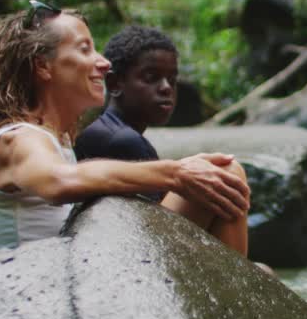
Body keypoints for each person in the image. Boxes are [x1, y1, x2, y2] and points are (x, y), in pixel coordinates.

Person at [0, 1, 249, 269]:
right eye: (85, 50)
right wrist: (175, 174)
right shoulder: (21, 140)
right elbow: (59, 182)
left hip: (74, 282)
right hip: (39, 305)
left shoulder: (53, 139)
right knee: (225, 174)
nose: (103, 63)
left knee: (222, 176)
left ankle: (240, 303)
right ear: (43, 67)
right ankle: (238, 317)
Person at [75, 25, 248, 257]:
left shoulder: (110, 131)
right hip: (131, 256)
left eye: (172, 79)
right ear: (115, 84)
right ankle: (240, 284)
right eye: (151, 78)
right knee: (227, 171)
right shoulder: (120, 140)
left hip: (128, 242)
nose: (166, 88)